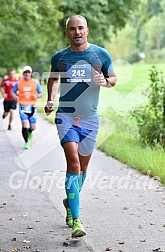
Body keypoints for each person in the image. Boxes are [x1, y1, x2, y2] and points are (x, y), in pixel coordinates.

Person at [44, 15, 117, 238]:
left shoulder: (100, 54)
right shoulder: (60, 57)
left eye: (81, 28)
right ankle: (77, 221)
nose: (77, 32)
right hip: (66, 117)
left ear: (87, 30)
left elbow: (113, 77)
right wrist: (49, 99)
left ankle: (70, 201)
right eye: (72, 29)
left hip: (90, 120)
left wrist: (105, 82)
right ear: (67, 33)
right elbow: (53, 79)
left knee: (83, 169)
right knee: (73, 163)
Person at [11, 66, 43, 149]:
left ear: (31, 73)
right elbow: (12, 92)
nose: (27, 74)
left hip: (32, 106)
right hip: (23, 106)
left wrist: (37, 96)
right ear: (23, 73)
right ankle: (26, 142)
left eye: (28, 72)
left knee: (33, 127)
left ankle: (30, 132)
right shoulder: (19, 83)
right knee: (24, 124)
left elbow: (41, 93)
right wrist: (15, 97)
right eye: (25, 72)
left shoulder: (35, 83)